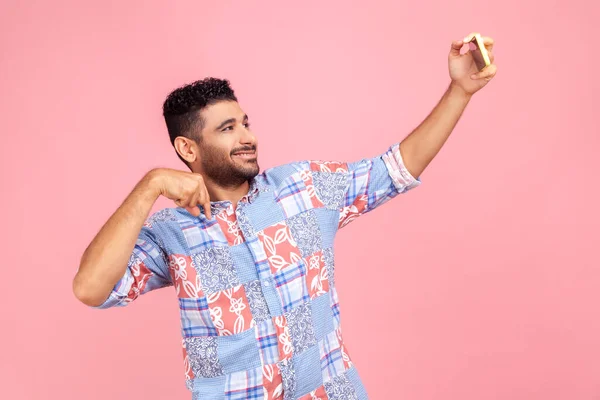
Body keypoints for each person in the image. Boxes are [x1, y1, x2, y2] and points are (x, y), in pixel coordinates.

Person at [73, 33, 497, 399]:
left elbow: (394, 169)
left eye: (245, 123)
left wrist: (460, 91)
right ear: (188, 149)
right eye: (227, 129)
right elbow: (91, 288)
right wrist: (150, 186)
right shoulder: (171, 233)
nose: (248, 137)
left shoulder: (303, 187)